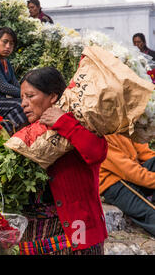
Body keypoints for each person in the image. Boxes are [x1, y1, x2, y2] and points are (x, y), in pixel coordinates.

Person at [18, 67, 108, 255]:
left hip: (77, 234)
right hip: (36, 241)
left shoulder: (79, 123)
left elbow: (97, 152)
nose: (23, 104)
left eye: (30, 96)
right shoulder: (29, 133)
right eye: (22, 98)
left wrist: (64, 122)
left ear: (52, 96)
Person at [99, 134, 155, 237]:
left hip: (135, 172)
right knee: (150, 213)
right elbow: (131, 172)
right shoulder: (99, 137)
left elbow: (145, 154)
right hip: (115, 183)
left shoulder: (122, 125)